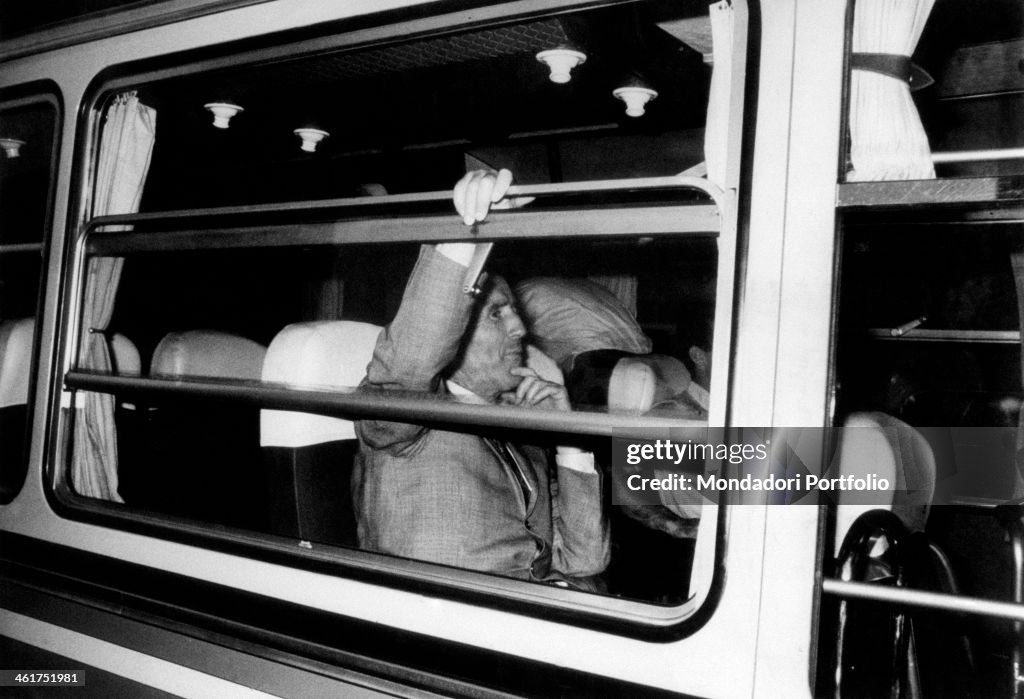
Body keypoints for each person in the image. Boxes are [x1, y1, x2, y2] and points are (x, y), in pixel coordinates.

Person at [353, 169, 609, 587]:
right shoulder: (399, 423)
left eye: (514, 312)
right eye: (497, 313)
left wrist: (569, 438)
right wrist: (469, 229)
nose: (520, 329)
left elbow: (584, 561)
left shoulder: (521, 431)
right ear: (456, 330)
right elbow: (411, 359)